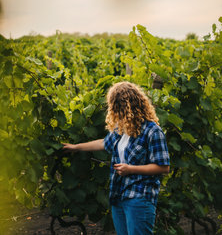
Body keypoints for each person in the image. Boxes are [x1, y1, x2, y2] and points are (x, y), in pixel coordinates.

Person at [62, 81, 170, 235]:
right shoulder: (123, 128)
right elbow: (103, 143)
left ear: (125, 106)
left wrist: (130, 169)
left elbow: (163, 167)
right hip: (119, 195)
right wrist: (75, 147)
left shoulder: (152, 131)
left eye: (115, 107)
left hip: (139, 196)